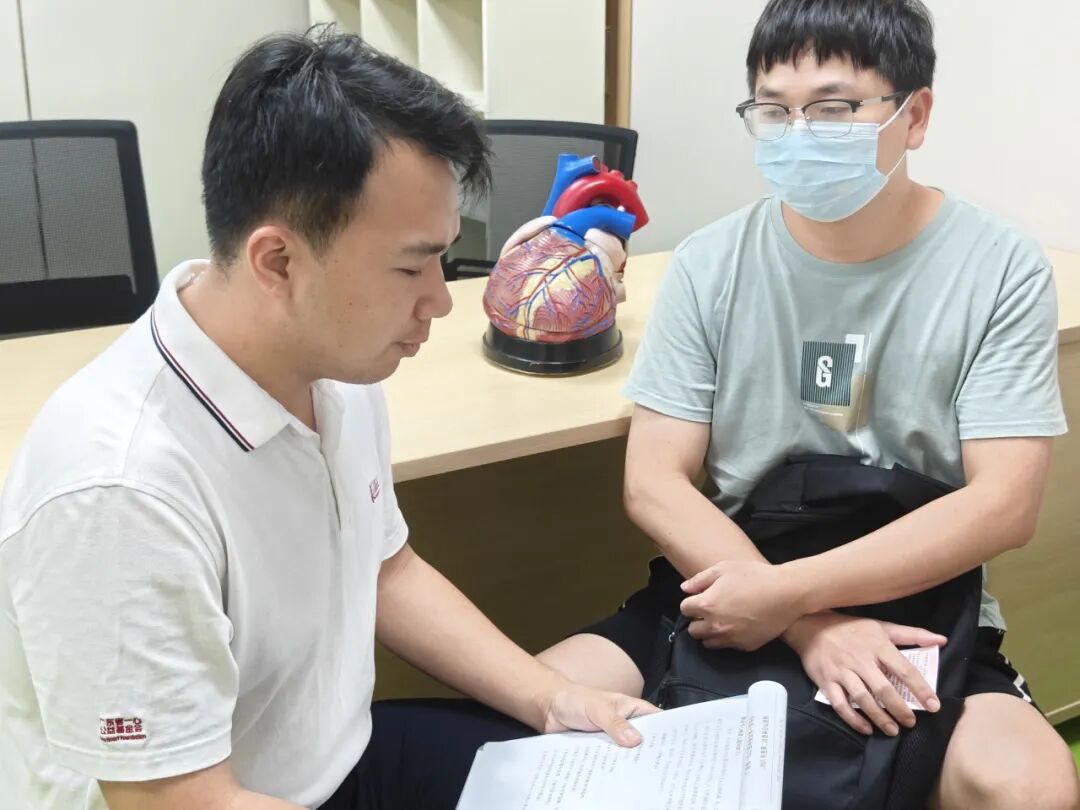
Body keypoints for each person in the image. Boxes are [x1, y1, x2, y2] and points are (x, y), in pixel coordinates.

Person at [0, 27, 653, 810]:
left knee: (615, 773)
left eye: (442, 258)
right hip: (219, 796)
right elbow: (171, 800)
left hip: (338, 759)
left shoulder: (334, 363)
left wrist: (548, 697)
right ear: (278, 262)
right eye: (410, 266)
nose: (440, 301)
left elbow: (385, 568)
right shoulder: (118, 487)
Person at [537, 1, 1080, 808]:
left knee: (1029, 786)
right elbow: (653, 481)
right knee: (526, 716)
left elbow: (1004, 504)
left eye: (833, 109)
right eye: (774, 111)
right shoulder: (708, 263)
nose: (799, 135)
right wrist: (805, 623)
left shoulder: (1000, 269)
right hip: (729, 582)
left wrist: (795, 596)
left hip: (915, 603)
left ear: (914, 115)